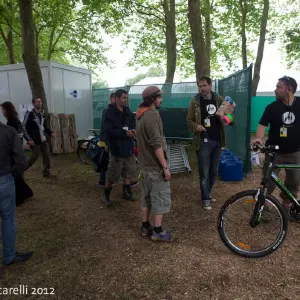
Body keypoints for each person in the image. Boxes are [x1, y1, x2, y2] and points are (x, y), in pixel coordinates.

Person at [251, 76, 300, 212]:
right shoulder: (272, 107)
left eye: (279, 87)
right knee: (269, 182)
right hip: (274, 153)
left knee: (293, 182)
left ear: (288, 89)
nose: (275, 89)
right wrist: (259, 138)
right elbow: (262, 125)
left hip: (295, 153)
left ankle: (286, 209)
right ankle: (264, 206)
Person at [136, 86, 173, 242]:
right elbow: (156, 143)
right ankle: (157, 231)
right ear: (152, 99)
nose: (161, 100)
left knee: (146, 197)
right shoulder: (151, 115)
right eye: (159, 97)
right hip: (154, 167)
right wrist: (164, 167)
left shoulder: (139, 115)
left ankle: (145, 226)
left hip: (144, 166)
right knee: (160, 197)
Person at [187, 76, 226, 211]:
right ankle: (205, 199)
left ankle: (208, 193)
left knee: (214, 171)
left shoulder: (219, 99)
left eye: (204, 85)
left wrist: (226, 117)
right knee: (204, 171)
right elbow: (189, 120)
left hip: (217, 140)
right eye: (200, 86)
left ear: (210, 86)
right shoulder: (195, 101)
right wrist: (196, 126)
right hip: (203, 141)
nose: (202, 88)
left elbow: (229, 119)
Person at [0, 121, 33, 266]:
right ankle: (9, 255)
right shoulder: (8, 131)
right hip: (4, 179)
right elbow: (21, 160)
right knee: (8, 219)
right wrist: (13, 175)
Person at [103, 89, 137, 206]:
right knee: (113, 173)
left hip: (128, 147)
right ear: (116, 98)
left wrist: (133, 130)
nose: (125, 100)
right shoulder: (109, 112)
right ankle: (106, 195)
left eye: (126, 98)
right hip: (116, 148)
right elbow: (108, 131)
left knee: (129, 170)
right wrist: (124, 133)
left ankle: (126, 192)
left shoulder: (127, 111)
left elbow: (132, 124)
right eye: (123, 98)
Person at [1, 102, 34, 206]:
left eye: (3, 110)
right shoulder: (16, 121)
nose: (2, 112)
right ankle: (27, 192)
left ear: (7, 110)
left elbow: (13, 139)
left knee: (16, 176)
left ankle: (20, 198)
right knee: (18, 177)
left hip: (14, 152)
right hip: (17, 150)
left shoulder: (11, 124)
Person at [22, 97, 56, 178]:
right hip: (34, 140)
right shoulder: (29, 113)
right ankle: (20, 171)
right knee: (34, 156)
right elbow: (23, 127)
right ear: (33, 104)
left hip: (43, 139)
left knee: (46, 155)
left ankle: (46, 173)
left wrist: (50, 132)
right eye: (37, 102)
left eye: (40, 101)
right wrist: (29, 139)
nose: (39, 103)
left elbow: (43, 126)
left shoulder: (41, 113)